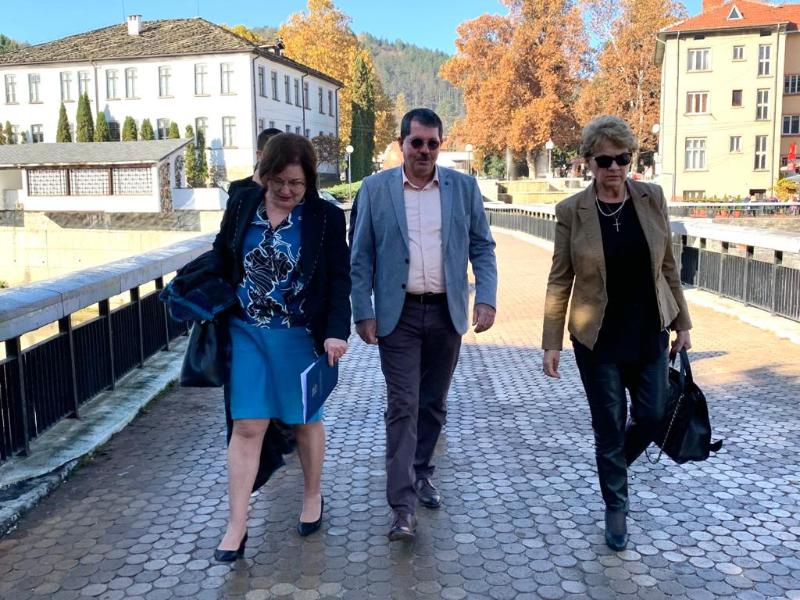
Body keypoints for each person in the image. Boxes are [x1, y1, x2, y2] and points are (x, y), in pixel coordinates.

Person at [541, 115, 692, 552]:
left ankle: (612, 466)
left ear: (631, 159)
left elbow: (668, 266)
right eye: (604, 160)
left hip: (649, 332)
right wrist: (551, 342)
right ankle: (616, 508)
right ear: (589, 161)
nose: (614, 168)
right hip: (598, 340)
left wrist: (682, 322)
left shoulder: (651, 198)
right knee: (608, 427)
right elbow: (560, 278)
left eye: (622, 159)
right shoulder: (572, 211)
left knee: (652, 414)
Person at [350, 108, 498, 541]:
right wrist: (363, 310)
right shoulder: (375, 189)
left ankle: (421, 472)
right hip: (398, 315)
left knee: (433, 403)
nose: (425, 151)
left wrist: (486, 297)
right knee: (403, 404)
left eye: (433, 144)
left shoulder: (462, 188)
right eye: (417, 143)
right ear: (402, 144)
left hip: (446, 313)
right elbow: (360, 255)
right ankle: (402, 507)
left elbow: (482, 246)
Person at [213, 133, 351, 561]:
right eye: (279, 182)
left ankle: (312, 494)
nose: (287, 191)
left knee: (304, 420)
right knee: (247, 425)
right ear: (264, 175)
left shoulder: (325, 218)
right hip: (247, 332)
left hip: (300, 335)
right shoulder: (242, 206)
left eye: (296, 183)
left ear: (309, 181)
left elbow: (339, 278)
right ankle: (237, 524)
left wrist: (336, 331)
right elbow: (221, 255)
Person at [227, 127, 283, 201]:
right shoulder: (238, 188)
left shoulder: (294, 186)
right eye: (274, 153)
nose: (281, 158)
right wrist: (256, 187)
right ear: (259, 155)